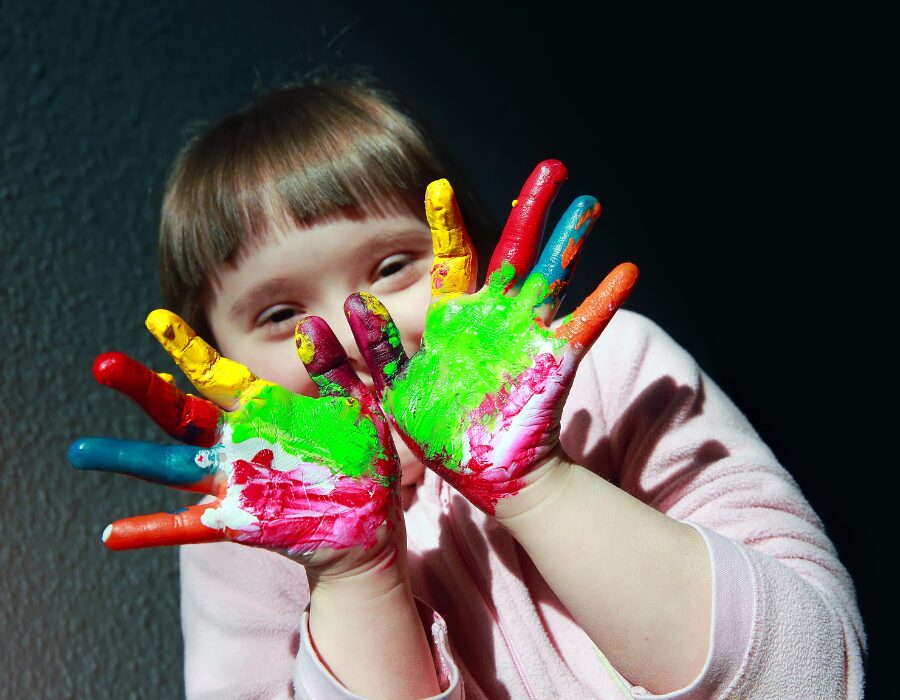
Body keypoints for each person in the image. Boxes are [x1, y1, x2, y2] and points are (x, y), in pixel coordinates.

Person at [69, 76, 866, 699]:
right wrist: (350, 575)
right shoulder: (255, 524)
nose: (349, 328)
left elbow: (815, 677)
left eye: (390, 267)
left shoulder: (608, 367)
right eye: (280, 314)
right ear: (212, 358)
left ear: (471, 258)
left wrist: (539, 487)